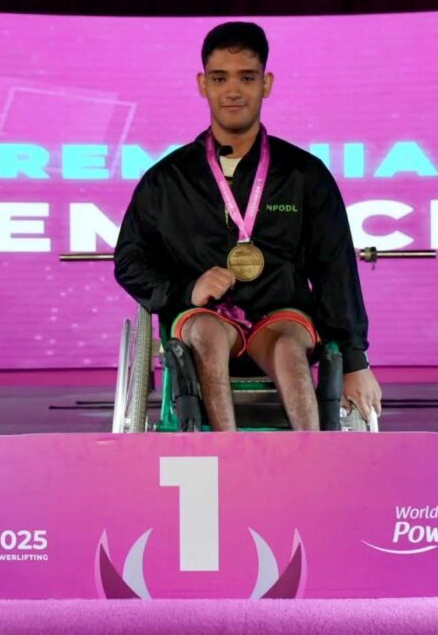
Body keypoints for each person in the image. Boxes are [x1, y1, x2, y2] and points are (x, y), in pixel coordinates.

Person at [114, 21, 381, 431]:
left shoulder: (304, 174)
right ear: (203, 84)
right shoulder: (167, 180)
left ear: (266, 83)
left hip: (281, 319)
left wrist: (355, 361)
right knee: (206, 332)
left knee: (289, 347)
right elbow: (130, 261)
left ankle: (312, 453)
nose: (233, 91)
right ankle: (225, 451)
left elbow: (335, 269)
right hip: (204, 319)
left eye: (247, 77)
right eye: (220, 78)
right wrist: (187, 288)